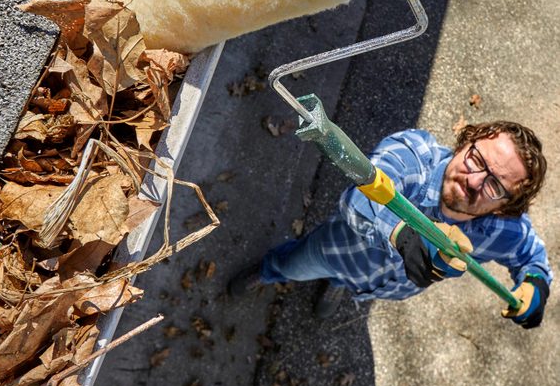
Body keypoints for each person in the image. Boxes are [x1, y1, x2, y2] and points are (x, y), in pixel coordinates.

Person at [228, 121, 552, 327]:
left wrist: (536, 285)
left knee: (347, 284)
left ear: (506, 208)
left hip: (390, 287)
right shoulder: (414, 154)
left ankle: (339, 287)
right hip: (334, 252)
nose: (475, 181)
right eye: (477, 160)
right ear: (466, 141)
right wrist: (404, 236)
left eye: (495, 186)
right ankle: (271, 270)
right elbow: (359, 197)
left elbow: (531, 256)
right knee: (293, 265)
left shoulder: (503, 231)